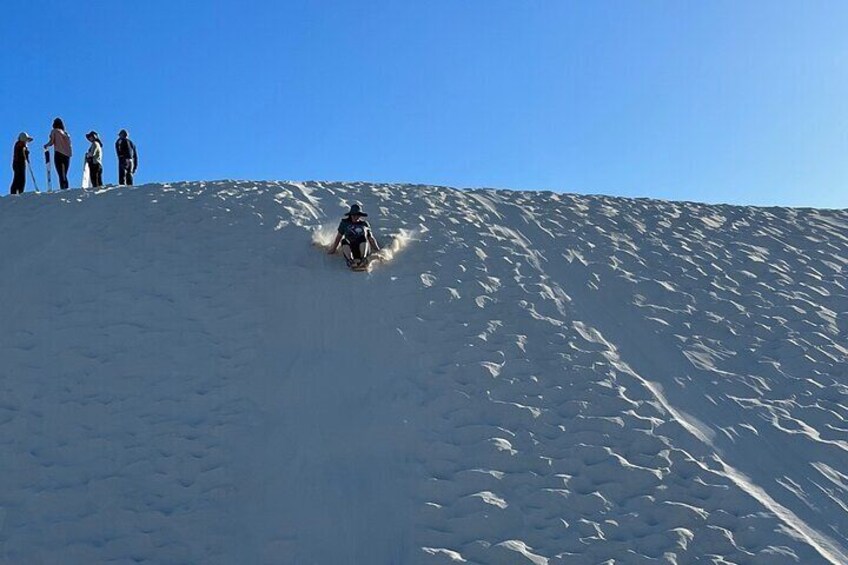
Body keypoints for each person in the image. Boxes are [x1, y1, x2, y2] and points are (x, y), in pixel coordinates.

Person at [328, 203, 381, 268]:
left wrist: (377, 250)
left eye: (357, 215)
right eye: (354, 215)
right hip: (351, 247)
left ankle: (363, 259)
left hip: (362, 247)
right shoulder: (345, 223)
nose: (355, 217)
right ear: (350, 215)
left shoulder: (364, 224)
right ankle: (350, 260)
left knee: (362, 238)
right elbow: (339, 236)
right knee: (344, 241)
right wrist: (333, 248)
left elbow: (370, 238)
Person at [44, 118, 72, 189]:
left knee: (60, 173)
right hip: (67, 155)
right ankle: (66, 187)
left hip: (59, 153)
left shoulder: (54, 131)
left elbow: (51, 141)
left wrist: (46, 145)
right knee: (65, 173)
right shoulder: (66, 134)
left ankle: (62, 188)